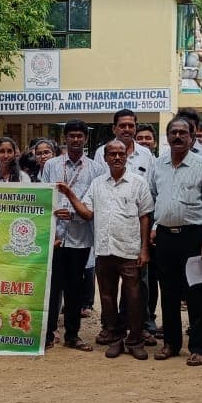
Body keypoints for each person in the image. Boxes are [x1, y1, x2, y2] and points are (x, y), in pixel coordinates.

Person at [60, 140, 154, 359]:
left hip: (130, 250)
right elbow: (88, 213)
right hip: (104, 250)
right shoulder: (97, 184)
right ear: (105, 158)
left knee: (134, 297)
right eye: (113, 154)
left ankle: (136, 340)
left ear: (126, 157)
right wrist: (70, 195)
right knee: (107, 298)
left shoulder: (138, 183)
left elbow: (145, 216)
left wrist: (144, 249)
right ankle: (116, 339)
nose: (117, 157)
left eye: (121, 153)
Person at [148, 117, 202, 366]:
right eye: (173, 133)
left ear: (192, 137)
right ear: (167, 137)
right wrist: (156, 226)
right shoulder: (158, 165)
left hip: (195, 237)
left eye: (183, 133)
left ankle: (199, 346)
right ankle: (171, 343)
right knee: (167, 292)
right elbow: (153, 199)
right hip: (166, 238)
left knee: (198, 294)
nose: (177, 137)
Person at [42, 120, 105, 351]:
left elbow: (95, 202)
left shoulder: (96, 169)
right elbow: (43, 196)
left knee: (74, 290)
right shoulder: (51, 165)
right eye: (72, 136)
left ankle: (72, 335)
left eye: (80, 136)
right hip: (55, 237)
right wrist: (53, 214)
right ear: (65, 138)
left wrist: (74, 215)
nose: (76, 139)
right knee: (52, 287)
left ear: (85, 139)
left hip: (80, 237)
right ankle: (47, 334)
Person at [96, 109, 156, 178]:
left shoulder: (145, 154)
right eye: (122, 126)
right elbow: (98, 183)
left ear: (135, 128)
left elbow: (150, 184)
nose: (127, 129)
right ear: (114, 129)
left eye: (131, 126)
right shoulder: (101, 153)